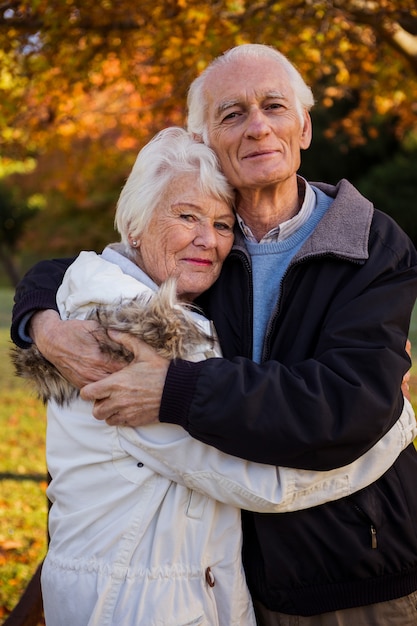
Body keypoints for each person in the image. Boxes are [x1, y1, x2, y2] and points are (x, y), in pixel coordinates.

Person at [11, 45, 417, 625]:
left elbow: (350, 404)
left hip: (354, 569)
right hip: (230, 572)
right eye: (232, 114)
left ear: (303, 127)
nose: (257, 127)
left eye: (274, 107)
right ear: (207, 137)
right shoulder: (194, 255)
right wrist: (41, 324)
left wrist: (176, 388)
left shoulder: (369, 240)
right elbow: (84, 270)